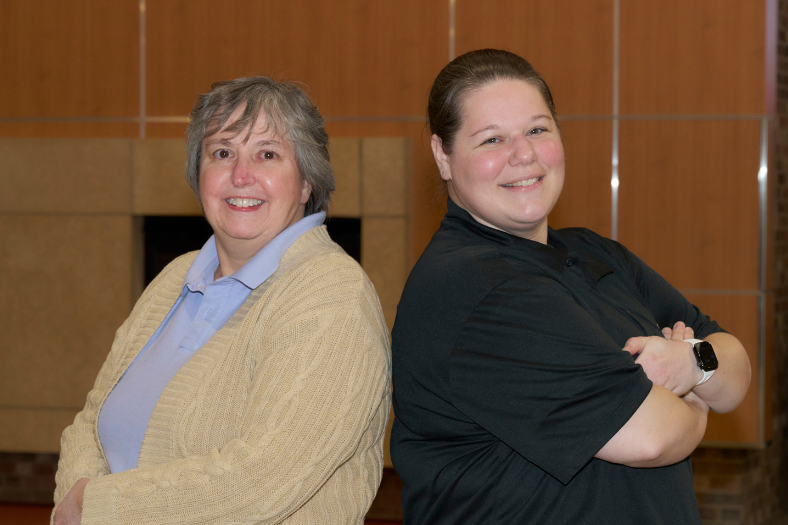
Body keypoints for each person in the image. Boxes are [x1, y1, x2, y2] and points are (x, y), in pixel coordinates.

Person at [390, 49, 751, 524]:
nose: (524, 155)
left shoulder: (596, 253)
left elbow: (737, 369)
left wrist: (691, 362)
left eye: (538, 129)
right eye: (492, 139)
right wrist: (697, 399)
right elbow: (650, 438)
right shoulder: (471, 287)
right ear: (443, 155)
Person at [52, 76, 391, 525]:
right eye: (222, 152)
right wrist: (72, 503)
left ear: (307, 181)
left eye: (267, 154)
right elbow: (92, 419)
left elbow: (262, 481)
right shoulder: (176, 276)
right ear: (199, 173)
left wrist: (96, 506)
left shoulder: (333, 297)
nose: (240, 175)